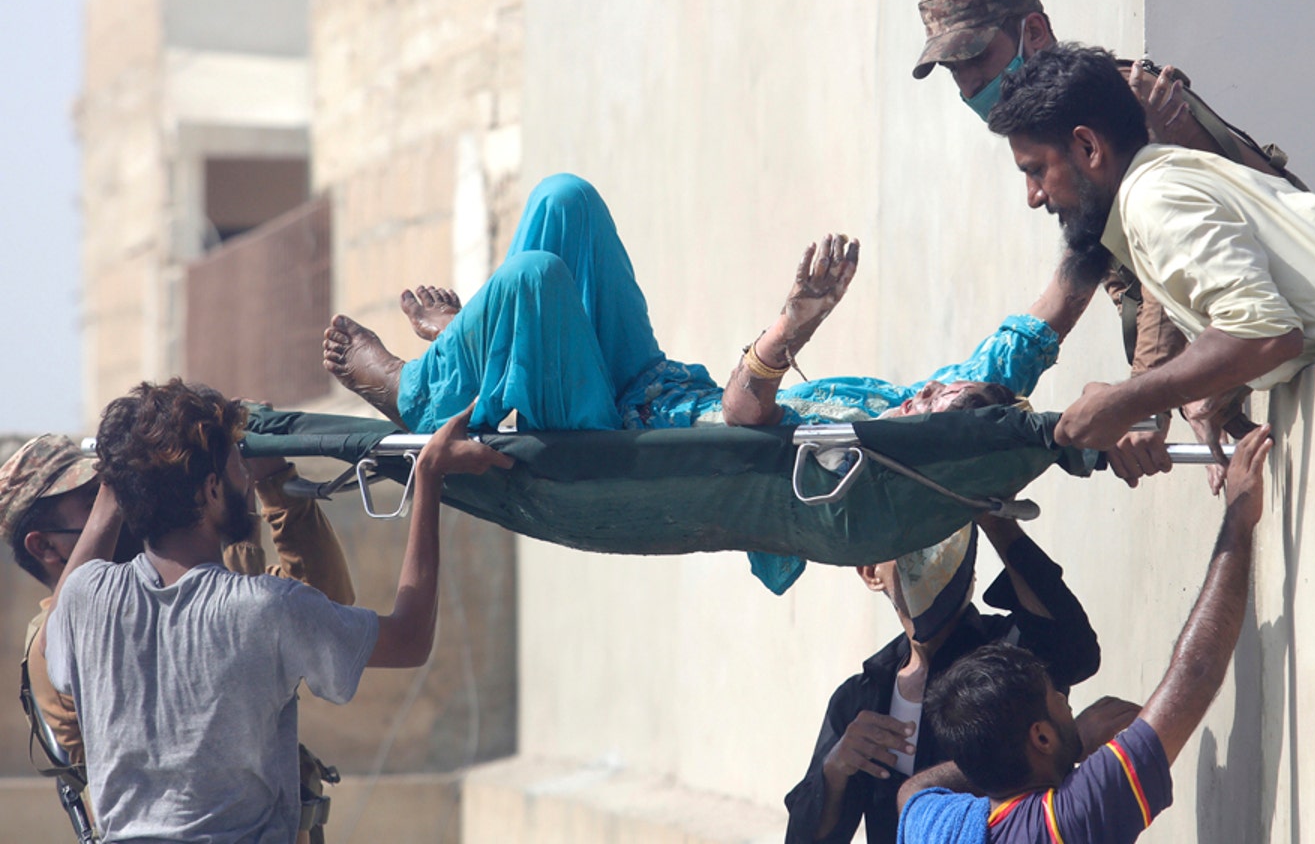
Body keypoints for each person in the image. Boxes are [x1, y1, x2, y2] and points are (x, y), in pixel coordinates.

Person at [43, 380, 509, 843]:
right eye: (235, 468)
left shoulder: (85, 598)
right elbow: (409, 639)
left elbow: (56, 640)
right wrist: (427, 478)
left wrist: (121, 476)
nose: (244, 479)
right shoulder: (265, 608)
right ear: (210, 489)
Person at [985, 43, 1315, 483]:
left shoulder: (1156, 198)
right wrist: (1221, 387)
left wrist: (1124, 401)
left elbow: (1264, 332)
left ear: (1089, 147)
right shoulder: (1162, 184)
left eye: (1035, 170)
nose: (1034, 196)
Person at [323, 174, 1099, 435]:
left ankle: (418, 389)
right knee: (567, 200)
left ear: (935, 427)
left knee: (533, 276)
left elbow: (743, 416)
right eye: (947, 384)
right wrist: (1107, 228)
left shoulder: (861, 448)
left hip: (613, 431)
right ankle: (479, 350)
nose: (933, 388)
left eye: (943, 398)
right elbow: (1028, 337)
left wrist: (794, 325)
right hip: (654, 380)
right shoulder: (908, 402)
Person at [913, 0, 1304, 473]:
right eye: (953, 70)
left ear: (1032, 31)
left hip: (1283, 333)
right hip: (1255, 350)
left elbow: (1167, 271)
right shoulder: (1054, 122)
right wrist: (968, 406)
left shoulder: (1119, 105)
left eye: (976, 58)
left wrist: (1141, 408)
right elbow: (1069, 290)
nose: (968, 84)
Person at [894, 425, 1274, 843]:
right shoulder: (1068, 822)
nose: (1066, 701)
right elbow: (1196, 672)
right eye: (1057, 698)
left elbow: (912, 793)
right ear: (1040, 736)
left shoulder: (937, 828)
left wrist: (1056, 747)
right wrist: (1239, 516)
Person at [4, 428, 357, 843]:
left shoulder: (171, 592)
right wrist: (238, 528)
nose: (123, 503)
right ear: (45, 546)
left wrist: (273, 479)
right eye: (97, 501)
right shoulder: (61, 646)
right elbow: (222, 653)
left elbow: (324, 606)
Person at [783, 515, 1101, 844]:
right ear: (870, 572)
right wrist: (835, 770)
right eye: (907, 542)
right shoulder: (861, 698)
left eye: (944, 537)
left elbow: (1076, 652)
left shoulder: (1010, 655)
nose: (928, 553)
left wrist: (995, 520)